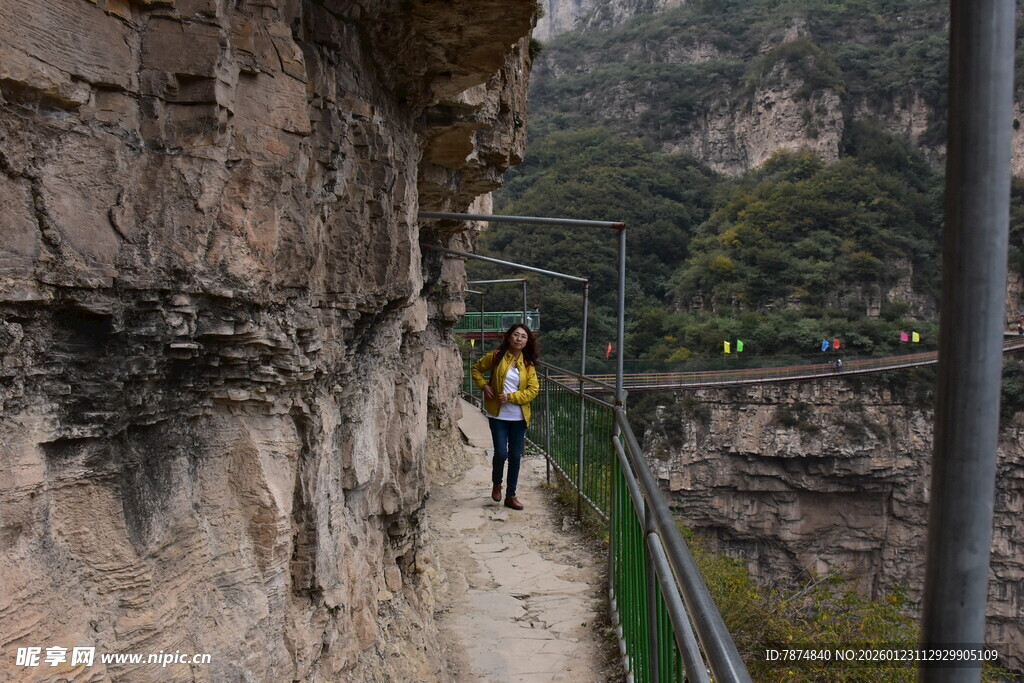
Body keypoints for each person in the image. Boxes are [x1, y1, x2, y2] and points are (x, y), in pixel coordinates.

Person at [470, 323, 540, 510]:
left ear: (527, 342)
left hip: (519, 418)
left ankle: (511, 495)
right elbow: (476, 369)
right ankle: (496, 483)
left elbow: (533, 390)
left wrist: (511, 397)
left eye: (523, 336)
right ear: (509, 337)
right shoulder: (496, 356)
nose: (519, 339)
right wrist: (484, 386)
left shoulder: (527, 364)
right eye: (516, 335)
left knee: (515, 457)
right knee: (501, 453)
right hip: (498, 415)